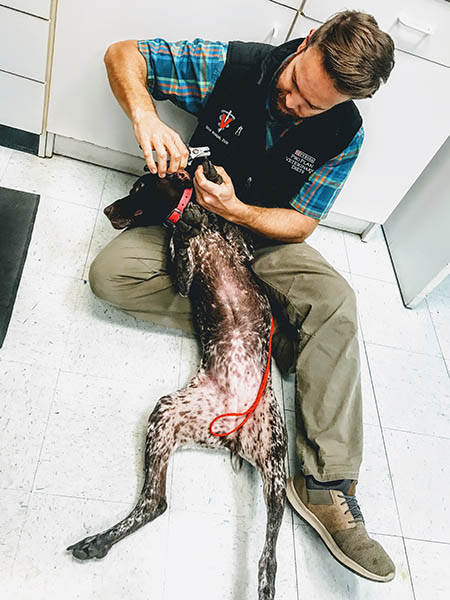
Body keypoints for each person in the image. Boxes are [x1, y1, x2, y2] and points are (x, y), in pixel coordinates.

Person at [91, 10, 396, 582]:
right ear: (306, 43)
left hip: (260, 234)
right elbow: (121, 53)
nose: (296, 106)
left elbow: (301, 223)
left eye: (314, 105)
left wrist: (238, 211)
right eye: (297, 86)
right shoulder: (234, 64)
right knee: (111, 277)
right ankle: (256, 320)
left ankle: (327, 485)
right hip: (195, 228)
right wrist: (145, 118)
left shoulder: (344, 131)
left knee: (335, 302)